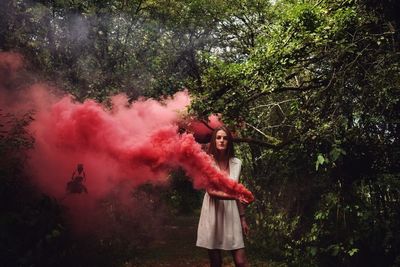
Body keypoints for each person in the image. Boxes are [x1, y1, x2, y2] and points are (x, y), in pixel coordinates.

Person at [196, 126, 250, 267]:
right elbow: (211, 192)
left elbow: (236, 189)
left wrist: (243, 218)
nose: (221, 141)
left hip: (232, 213)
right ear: (214, 141)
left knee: (240, 261)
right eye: (218, 138)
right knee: (216, 262)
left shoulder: (237, 163)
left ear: (229, 142)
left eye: (225, 138)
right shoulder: (207, 161)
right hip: (213, 211)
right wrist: (235, 197)